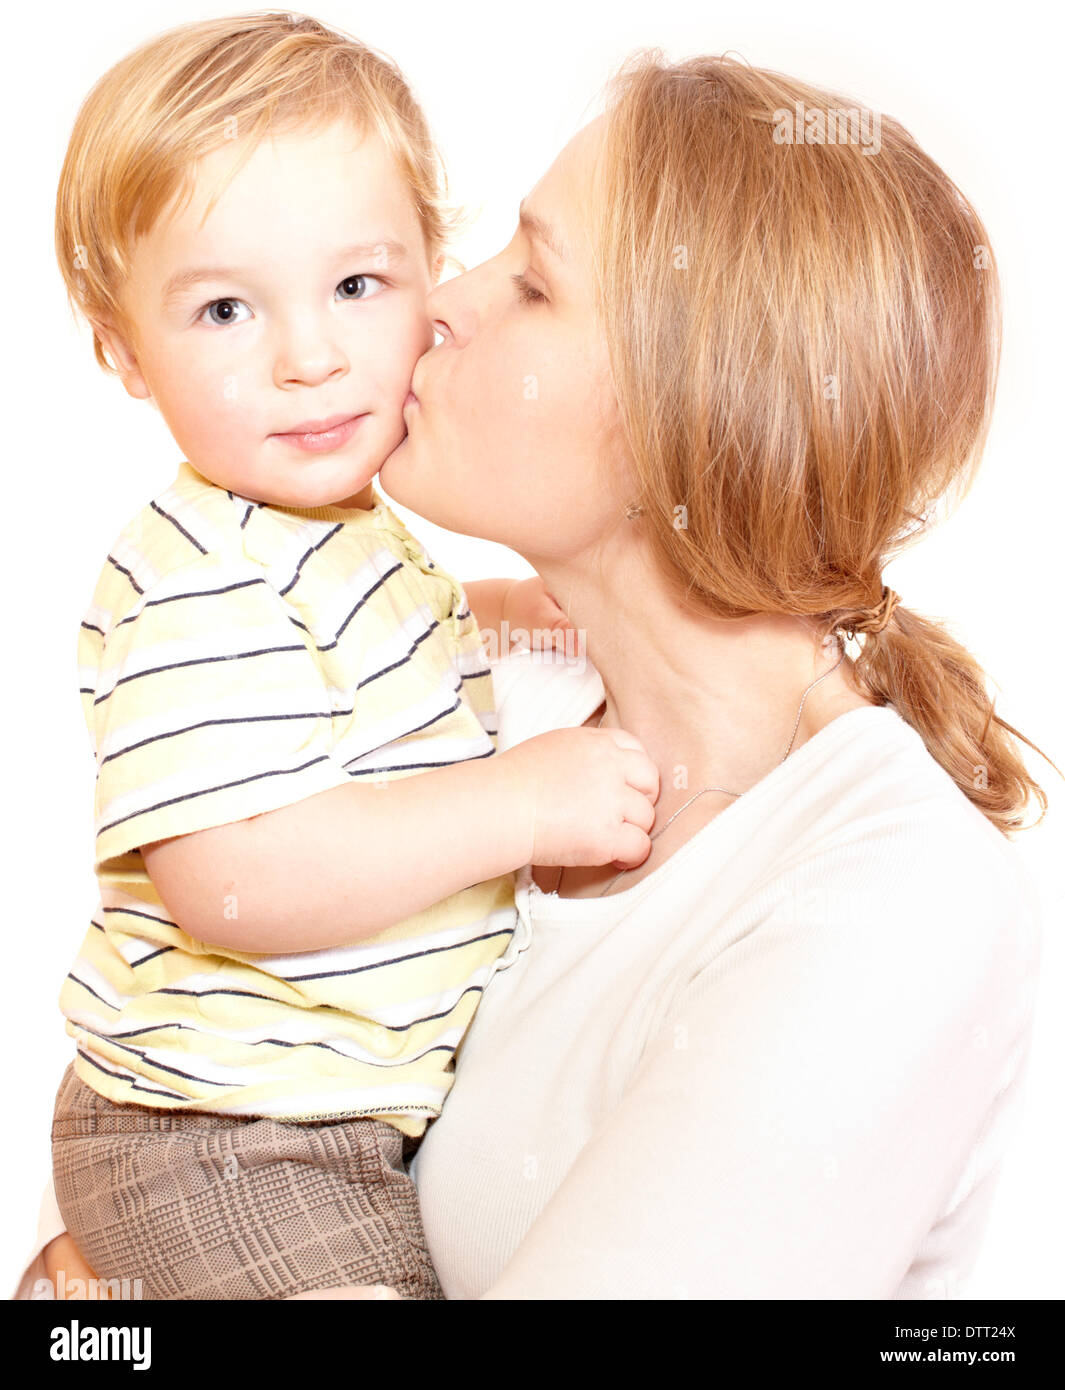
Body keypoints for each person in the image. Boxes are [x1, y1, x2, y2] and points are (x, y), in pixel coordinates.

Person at [24, 49, 1053, 1301]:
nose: (440, 301)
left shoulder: (888, 899)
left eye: (534, 282)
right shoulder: (477, 694)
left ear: (695, 400)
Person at [37, 12, 659, 1302]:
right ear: (121, 348)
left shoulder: (347, 538)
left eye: (357, 287)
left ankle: (96, 1290)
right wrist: (520, 798)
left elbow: (379, 663)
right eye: (223, 309)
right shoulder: (199, 575)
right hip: (217, 1137)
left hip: (334, 1121)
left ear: (433, 274)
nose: (309, 356)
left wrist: (525, 607)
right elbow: (236, 880)